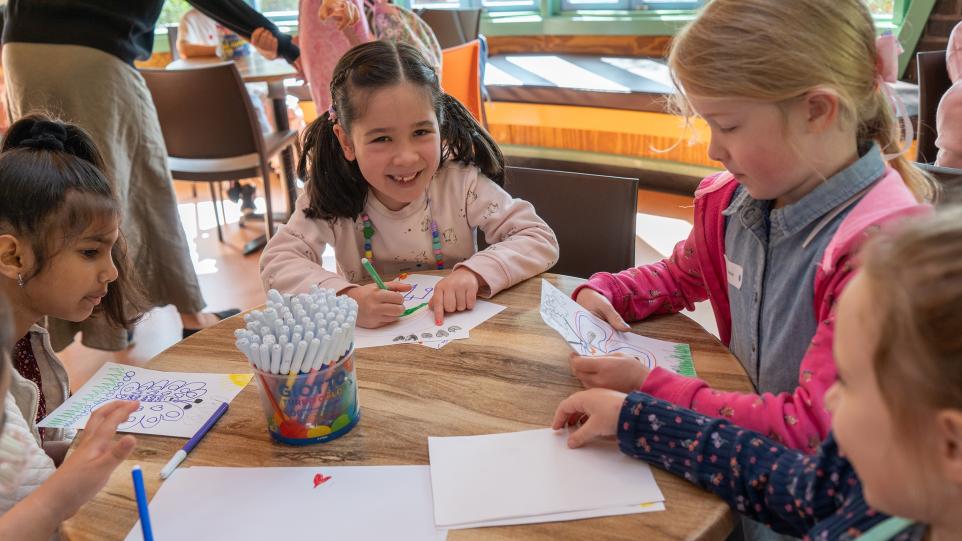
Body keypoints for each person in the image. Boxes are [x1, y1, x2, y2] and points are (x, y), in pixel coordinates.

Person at [568, 0, 932, 456]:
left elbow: (811, 428)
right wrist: (610, 292)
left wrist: (651, 389)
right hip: (734, 464)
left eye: (729, 126)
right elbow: (682, 274)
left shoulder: (880, 253)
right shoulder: (734, 203)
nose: (713, 150)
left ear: (816, 111)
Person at [553, 207, 962, 540]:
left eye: (847, 382)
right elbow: (782, 482)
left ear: (950, 444)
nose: (829, 397)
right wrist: (635, 417)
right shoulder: (864, 484)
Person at [1, 1, 300, 347]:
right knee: (129, 192)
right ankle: (128, 321)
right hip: (94, 54)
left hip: (21, 50)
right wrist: (283, 43)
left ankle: (46, 341)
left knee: (48, 200)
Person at [260, 41, 558, 328]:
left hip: (456, 338)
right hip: (371, 357)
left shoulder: (459, 183)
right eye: (381, 139)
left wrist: (474, 274)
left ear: (440, 126)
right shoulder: (330, 192)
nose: (405, 157)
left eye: (421, 132)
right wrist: (346, 298)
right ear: (347, 141)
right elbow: (278, 262)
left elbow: (537, 237)